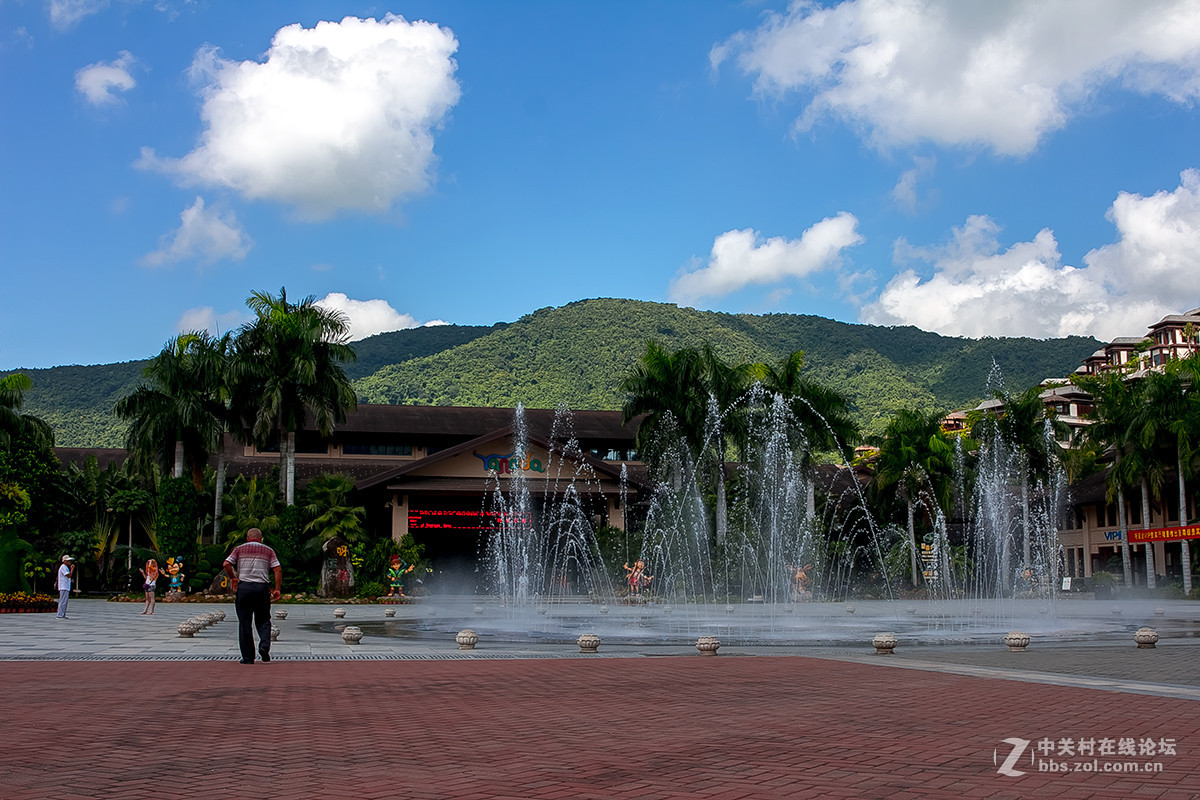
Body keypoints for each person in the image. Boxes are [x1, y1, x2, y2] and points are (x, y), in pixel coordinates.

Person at [223, 528, 282, 664]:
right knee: (264, 620)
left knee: (244, 622)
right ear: (261, 538)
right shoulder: (268, 550)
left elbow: (226, 563)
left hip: (244, 588)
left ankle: (248, 657)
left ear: (247, 538)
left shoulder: (239, 549)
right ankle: (264, 646)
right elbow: (277, 568)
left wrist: (233, 578)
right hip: (262, 588)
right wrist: (277, 589)